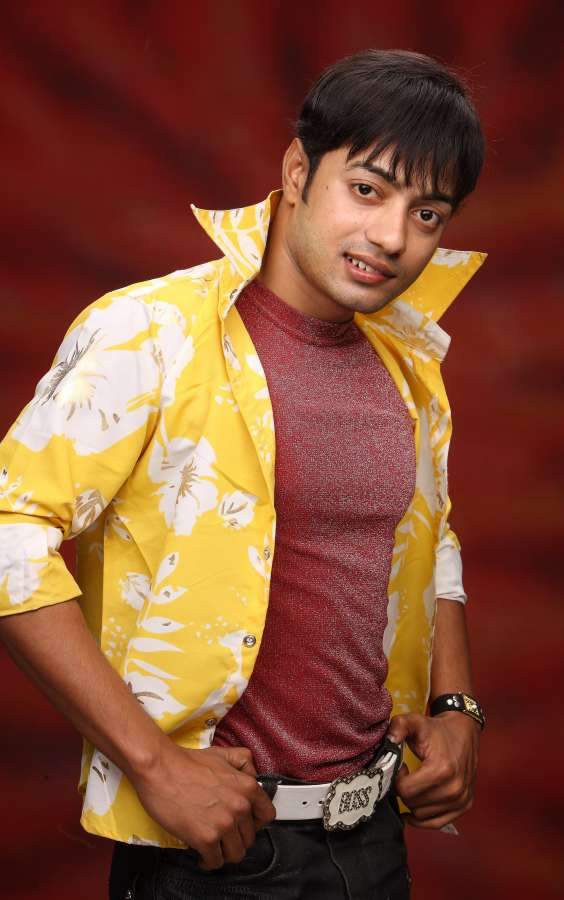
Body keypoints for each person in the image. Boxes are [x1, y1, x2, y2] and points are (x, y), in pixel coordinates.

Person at [0, 48, 487, 899]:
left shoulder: (407, 362)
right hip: (215, 850)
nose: (391, 237)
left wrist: (456, 707)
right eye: (367, 189)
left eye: (426, 213)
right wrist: (153, 764)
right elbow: (9, 534)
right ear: (298, 171)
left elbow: (428, 536)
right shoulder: (153, 332)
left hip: (375, 840)